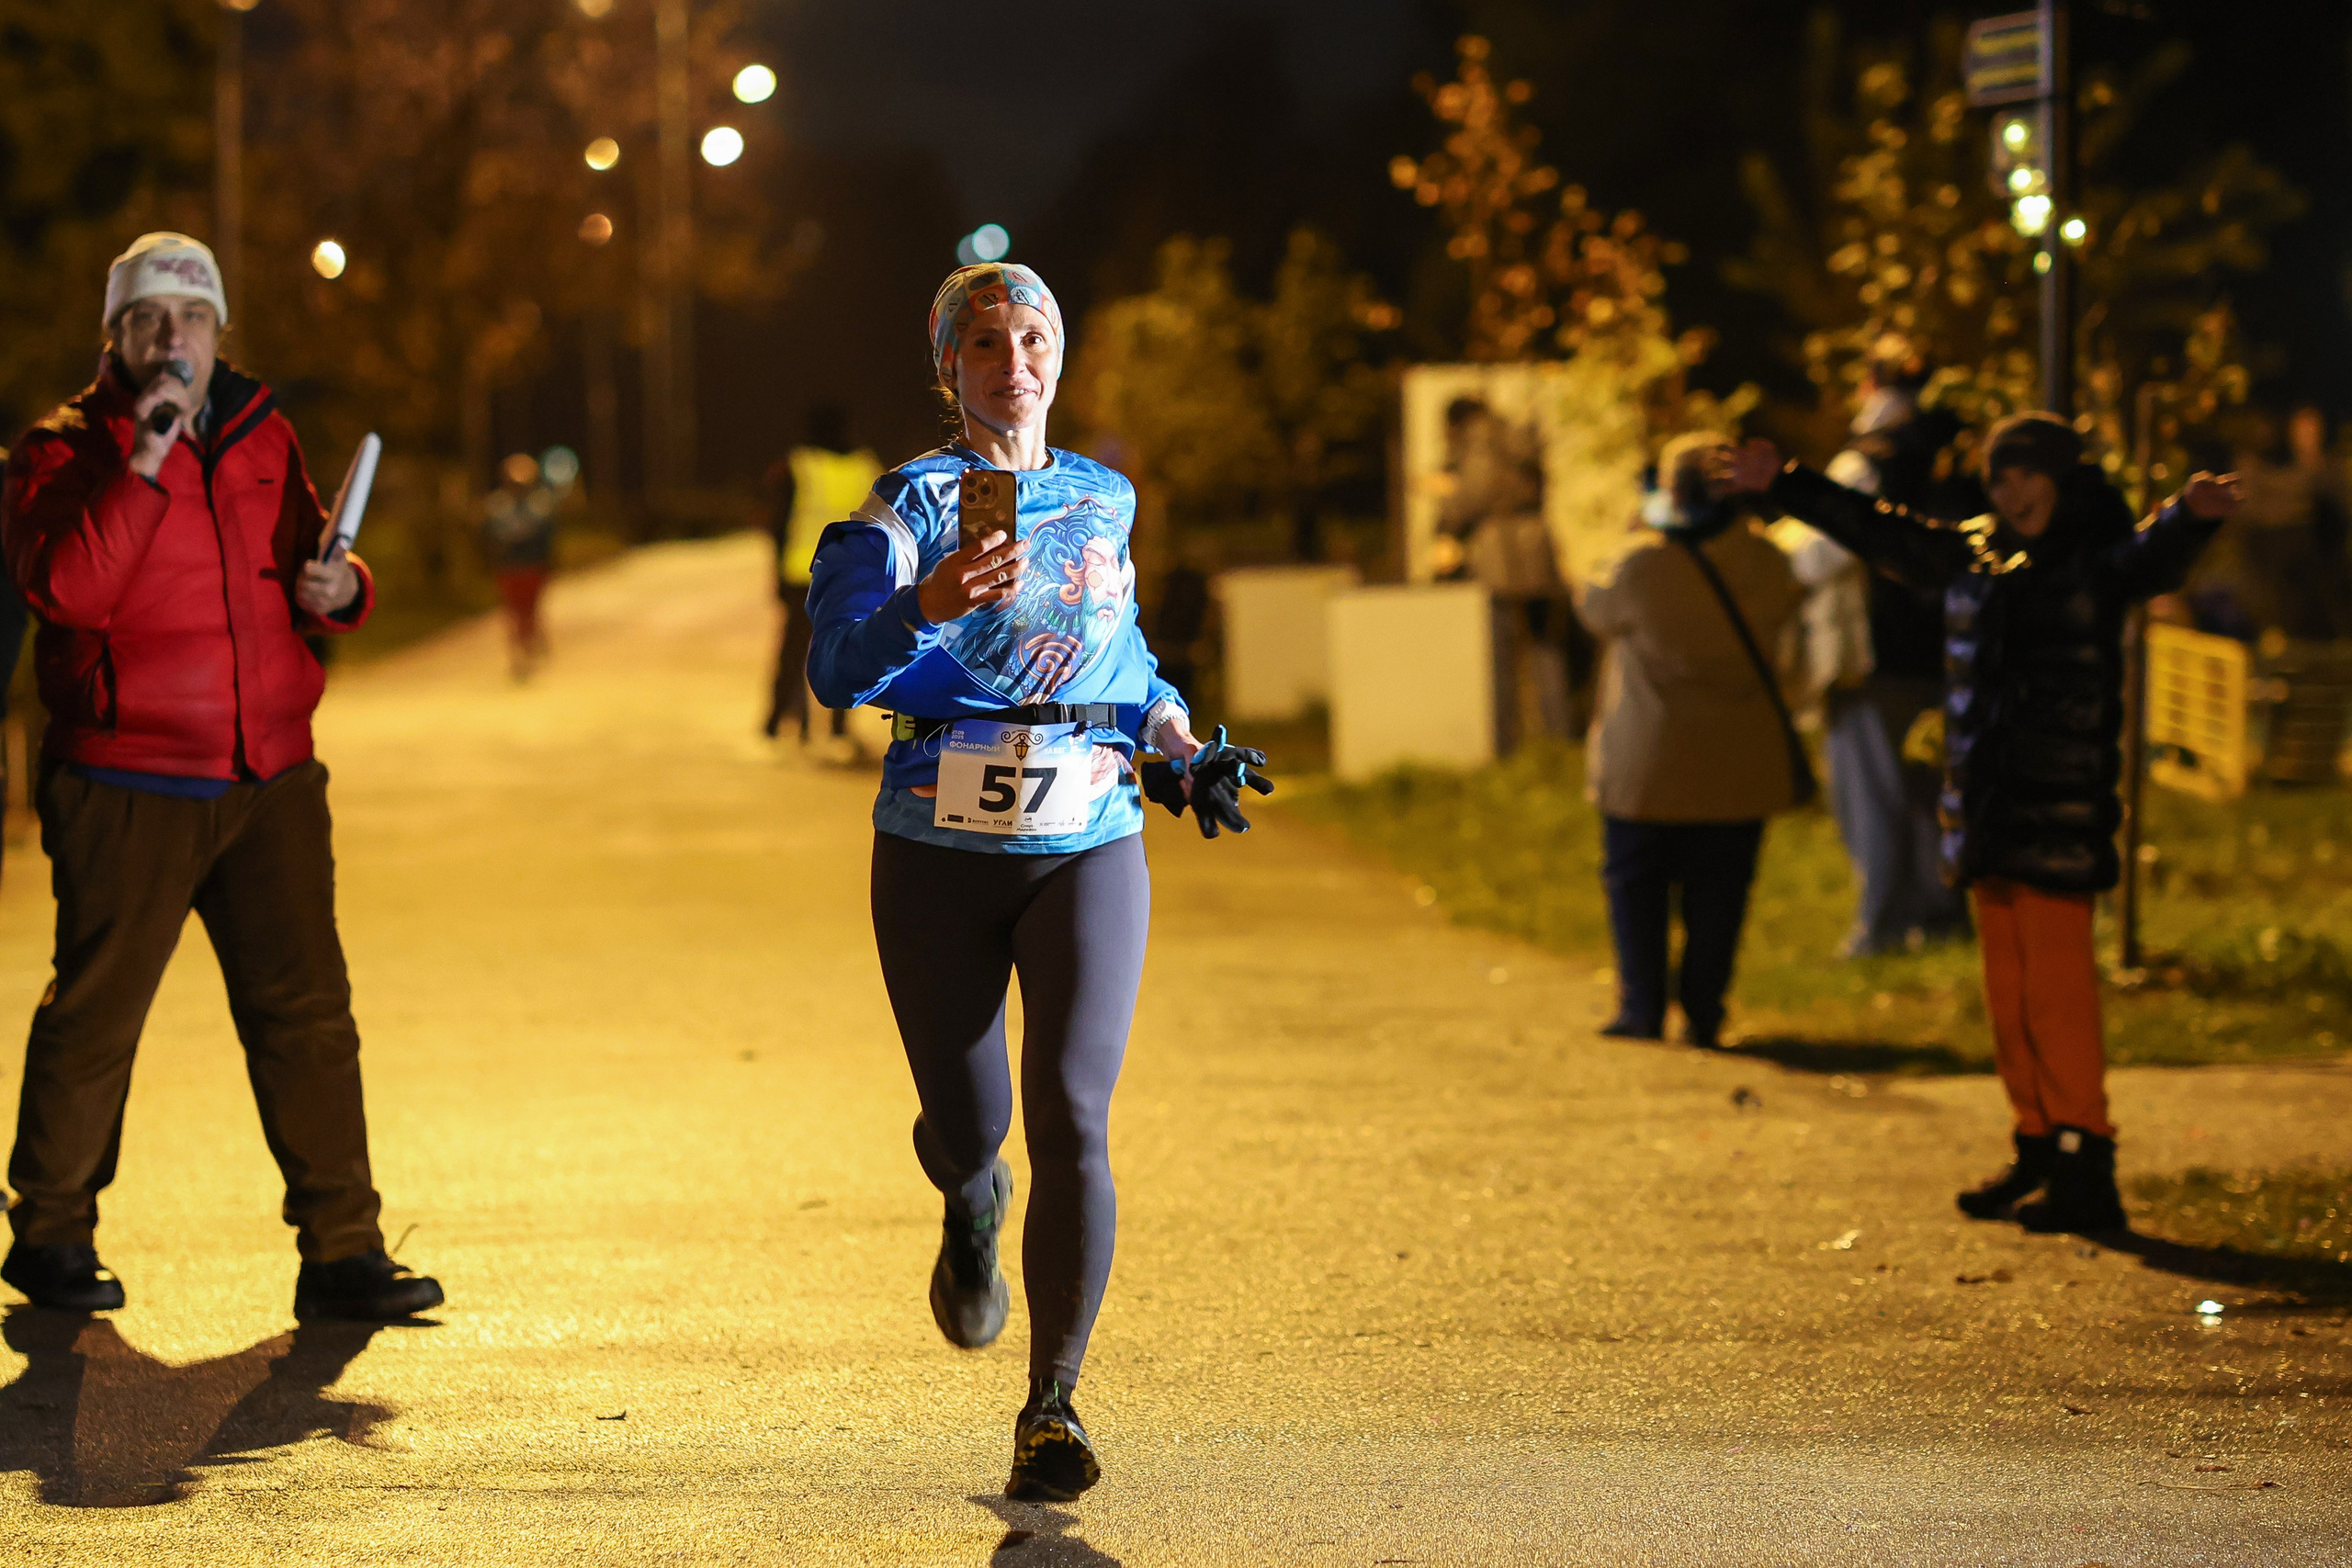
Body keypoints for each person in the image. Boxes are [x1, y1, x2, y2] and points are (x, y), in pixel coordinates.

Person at [806, 262, 1270, 1503]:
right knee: (980, 1127)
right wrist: (928, 602)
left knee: (1074, 1112)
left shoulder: (1105, 497)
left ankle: (1050, 1403)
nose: (1013, 362)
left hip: (1089, 835)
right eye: (986, 343)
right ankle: (968, 1188)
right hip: (933, 849)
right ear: (948, 367)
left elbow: (1125, 649)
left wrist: (1177, 739)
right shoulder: (903, 506)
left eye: (1034, 339)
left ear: (1058, 358)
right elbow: (835, 664)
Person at [0, 231, 442, 1321]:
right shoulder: (58, 453)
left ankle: (343, 1250)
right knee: (97, 1016)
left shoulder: (260, 431)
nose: (173, 338)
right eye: (149, 319)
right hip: (127, 776)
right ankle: (51, 1236)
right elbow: (72, 590)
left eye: (192, 318)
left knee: (308, 1016)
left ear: (218, 331)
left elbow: (307, 565)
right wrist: (145, 464)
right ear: (117, 337)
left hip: (270, 777)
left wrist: (341, 590)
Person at [1733, 414, 2240, 1234]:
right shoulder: (1973, 550)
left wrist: (2194, 514)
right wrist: (1788, 485)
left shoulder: (2094, 557)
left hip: (2060, 813)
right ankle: (2036, 1144)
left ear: (2062, 479)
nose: (2009, 490)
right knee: (2009, 998)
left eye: (2025, 474)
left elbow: (2151, 557)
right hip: (1988, 814)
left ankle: (2089, 1161)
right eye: (1998, 477)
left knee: (2058, 997)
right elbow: (1882, 533)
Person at [1577, 433, 1804, 1051]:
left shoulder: (1640, 565)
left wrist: (1631, 532)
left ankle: (1642, 1006)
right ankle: (1705, 1010)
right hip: (1739, 759)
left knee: (1636, 883)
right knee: (1721, 891)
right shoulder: (1769, 564)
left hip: (1648, 762)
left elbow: (1591, 608)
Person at [1780, 356, 1979, 956]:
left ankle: (1882, 924)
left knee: (1872, 795)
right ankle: (1943, 916)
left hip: (1874, 653)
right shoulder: (1959, 453)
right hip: (1947, 646)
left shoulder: (1867, 459)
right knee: (1933, 790)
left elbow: (1823, 551)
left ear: (1868, 384)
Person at [763, 404, 881, 747]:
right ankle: (838, 726)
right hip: (851, 578)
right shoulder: (867, 468)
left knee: (793, 652)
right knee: (844, 651)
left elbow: (779, 525)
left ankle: (778, 722)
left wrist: (777, 574)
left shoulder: (798, 466)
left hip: (802, 574)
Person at [481, 451, 559, 680]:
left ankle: (530, 644)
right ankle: (521, 653)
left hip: (534, 566)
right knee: (513, 613)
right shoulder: (499, 504)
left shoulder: (540, 503)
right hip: (509, 566)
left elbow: (546, 535)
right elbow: (490, 535)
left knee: (530, 611)